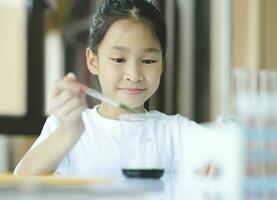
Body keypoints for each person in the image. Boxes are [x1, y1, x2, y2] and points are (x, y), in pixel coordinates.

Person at [14, 0, 213, 177]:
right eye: (119, 59)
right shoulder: (68, 126)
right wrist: (68, 132)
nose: (133, 75)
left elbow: (229, 154)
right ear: (93, 61)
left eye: (148, 60)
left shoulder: (175, 132)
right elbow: (22, 180)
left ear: (162, 63)